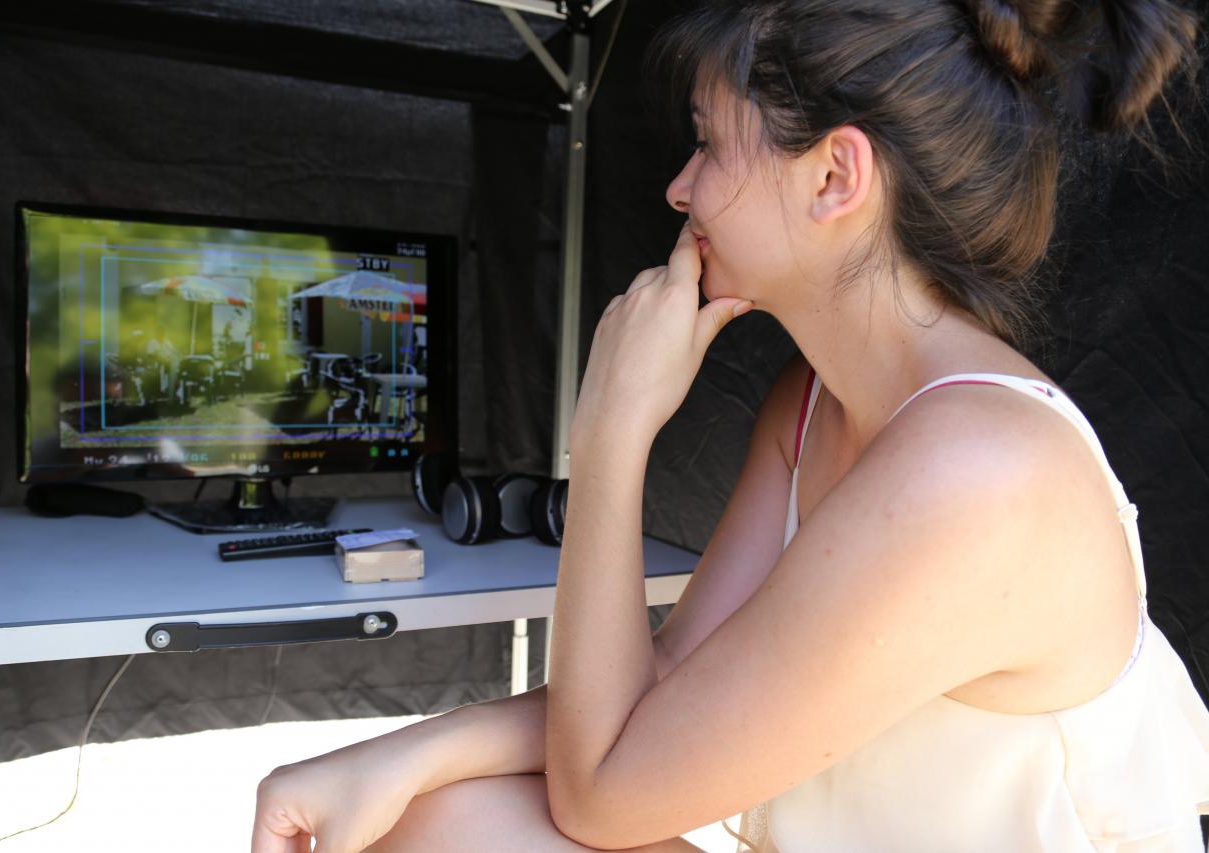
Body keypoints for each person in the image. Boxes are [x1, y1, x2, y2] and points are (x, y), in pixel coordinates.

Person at [251, 1, 1209, 850]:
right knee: (440, 818)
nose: (680, 188)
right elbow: (663, 685)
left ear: (834, 174)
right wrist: (398, 756)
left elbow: (604, 793)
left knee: (455, 825)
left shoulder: (980, 473)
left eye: (708, 144)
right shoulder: (813, 402)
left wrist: (611, 432)